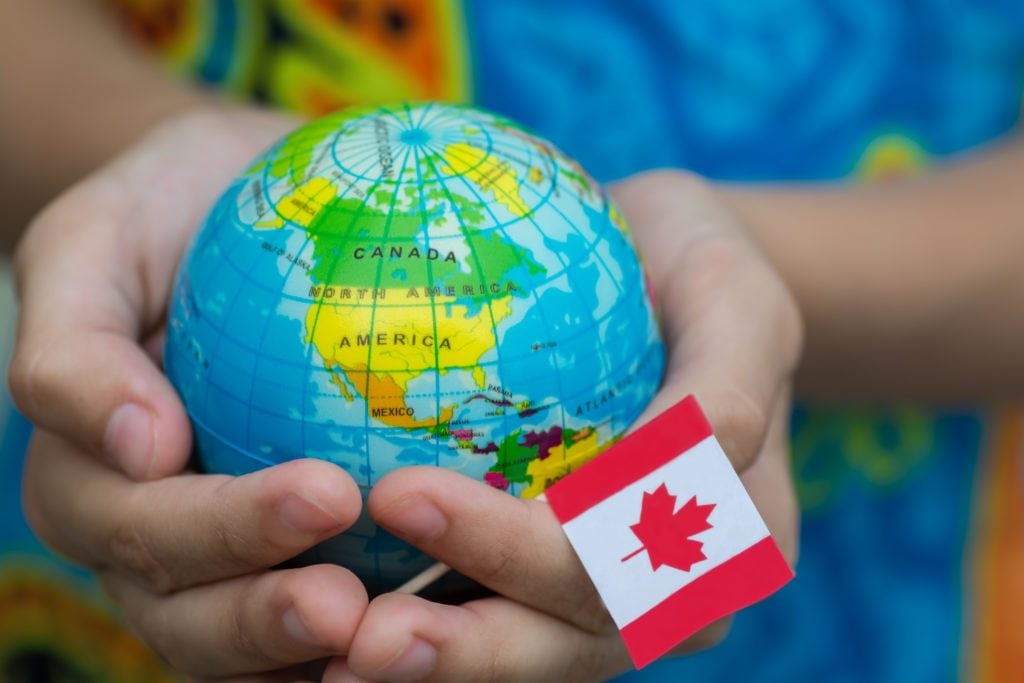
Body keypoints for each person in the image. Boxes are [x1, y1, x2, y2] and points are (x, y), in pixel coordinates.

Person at [2, 0, 1022, 681]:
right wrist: (141, 163)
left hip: (876, 574)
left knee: (674, 596)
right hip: (164, 527)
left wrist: (759, 296)